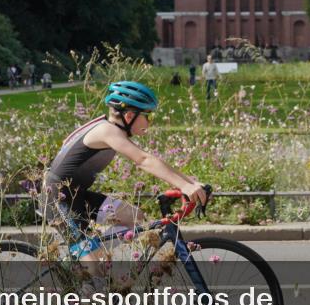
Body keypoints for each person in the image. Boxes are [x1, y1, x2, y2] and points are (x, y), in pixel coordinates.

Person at [39, 81, 206, 272]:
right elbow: (143, 160)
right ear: (129, 116)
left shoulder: (108, 128)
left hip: (76, 194)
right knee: (97, 274)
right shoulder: (107, 130)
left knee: (135, 218)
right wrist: (185, 186)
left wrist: (190, 183)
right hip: (57, 199)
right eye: (147, 116)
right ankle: (87, 264)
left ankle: (81, 259)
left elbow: (151, 159)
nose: (149, 122)